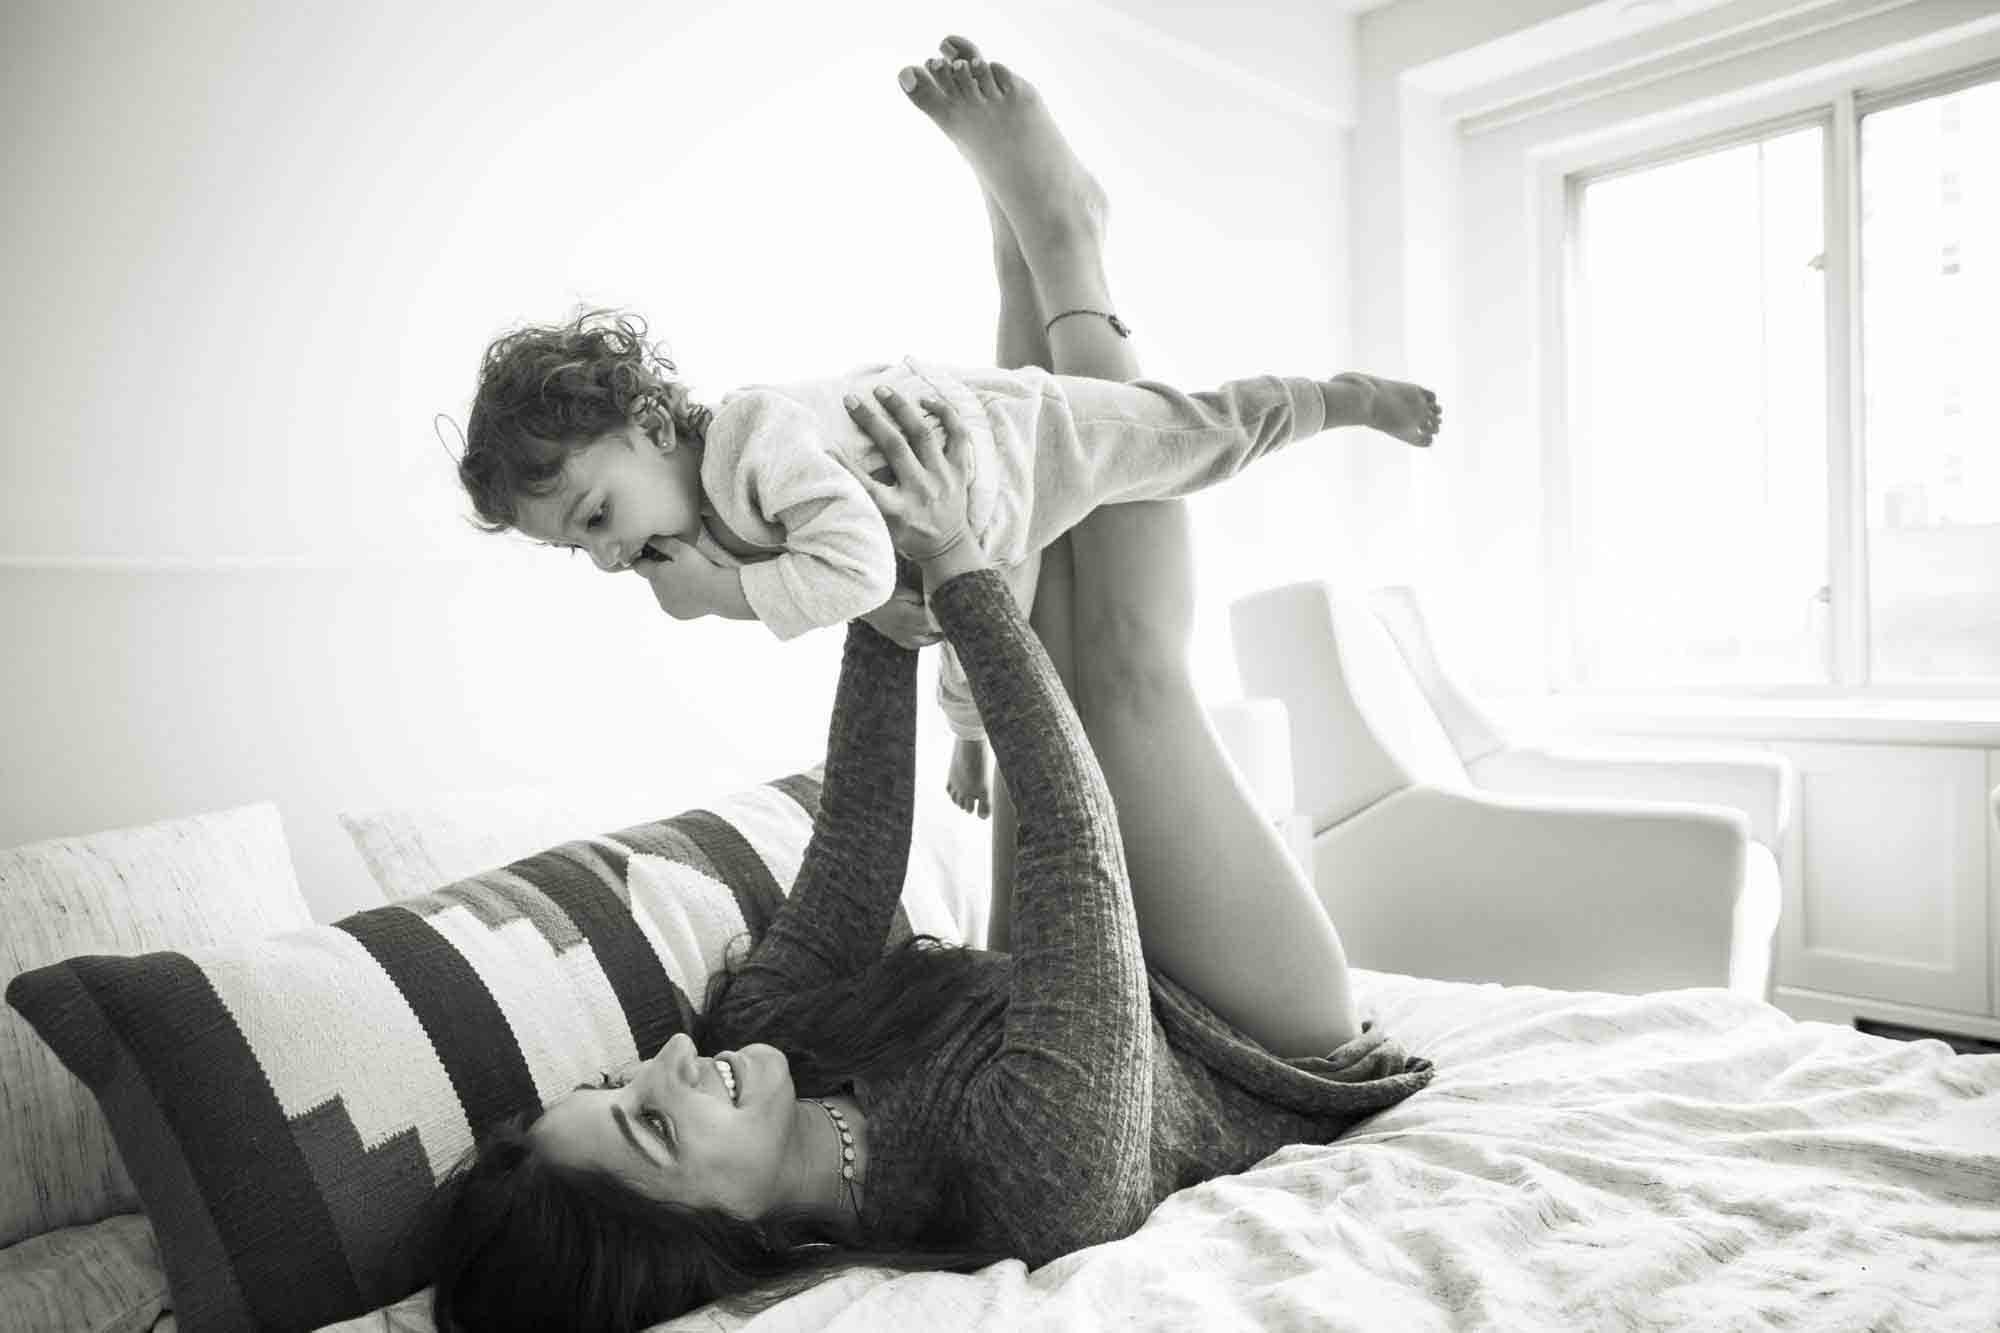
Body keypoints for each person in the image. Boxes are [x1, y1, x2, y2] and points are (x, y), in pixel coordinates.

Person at [424, 37, 1436, 1332]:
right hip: (1249, 1028)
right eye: (647, 1121)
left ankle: (1023, 252)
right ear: (714, 1241)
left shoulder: (768, 1035)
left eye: (629, 1076)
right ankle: (1066, 242)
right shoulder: (1034, 1182)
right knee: (1117, 678)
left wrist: (903, 577)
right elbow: (1076, 833)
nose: (675, 1059)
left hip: (1060, 989)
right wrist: (950, 566)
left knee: (993, 492)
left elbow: (857, 832)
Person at [452, 47, 1442, 872]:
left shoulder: (753, 441)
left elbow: (858, 569)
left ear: (653, 426)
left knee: (1186, 438)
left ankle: (1333, 398)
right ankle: (1023, 233)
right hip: (972, 530)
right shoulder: (708, 518)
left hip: (1007, 446)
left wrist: (725, 600)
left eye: (593, 518)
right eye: (577, 552)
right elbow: (888, 595)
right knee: (984, 647)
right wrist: (918, 677)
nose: (608, 558)